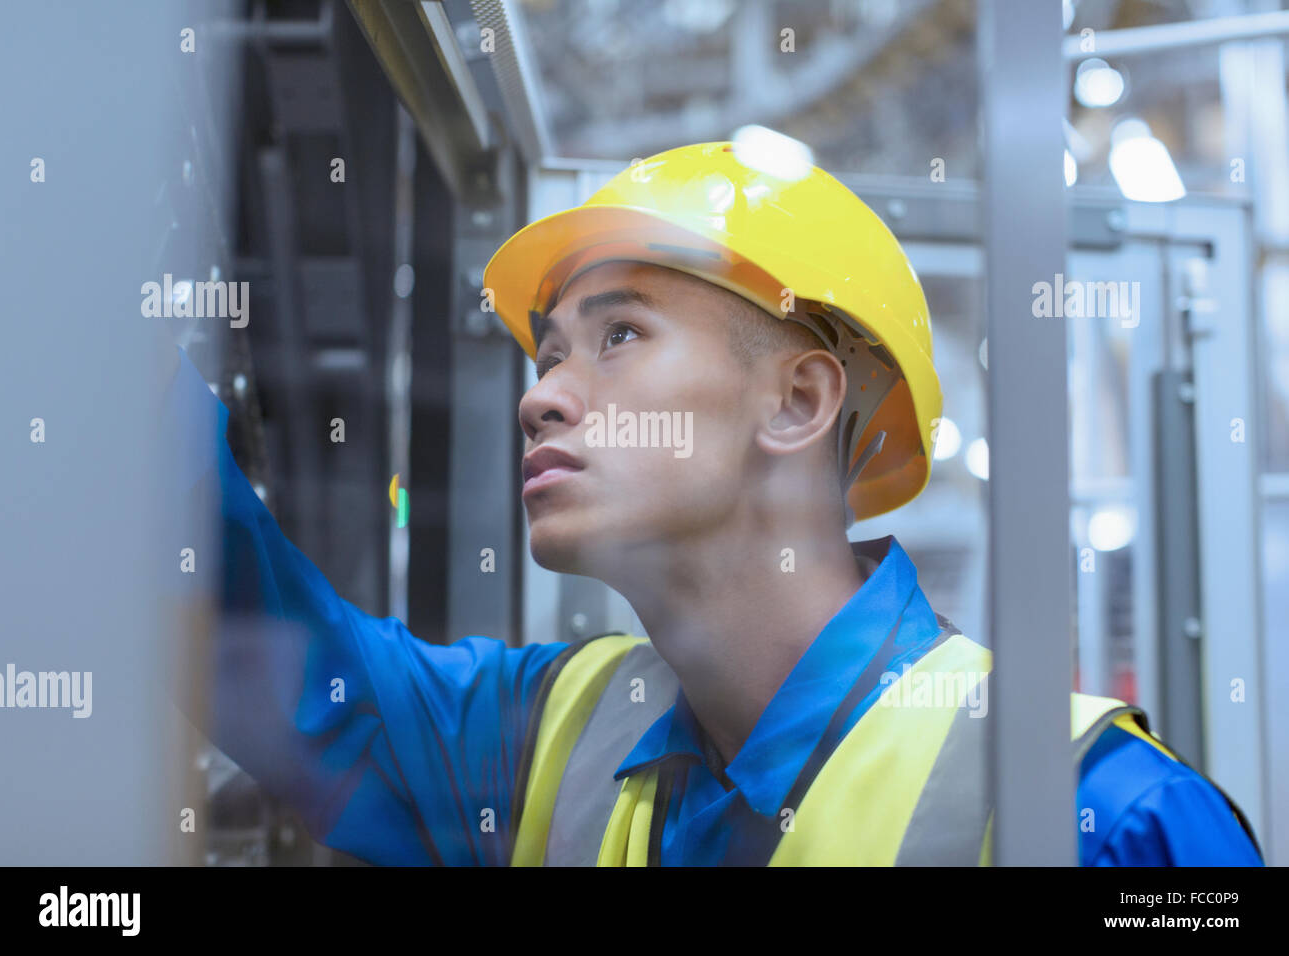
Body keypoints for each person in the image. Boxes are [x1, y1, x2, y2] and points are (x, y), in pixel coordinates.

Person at [161, 140, 1263, 866]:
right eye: (545, 355)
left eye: (618, 336)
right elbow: (264, 654)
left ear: (795, 398)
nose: (540, 395)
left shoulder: (1107, 817)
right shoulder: (547, 736)